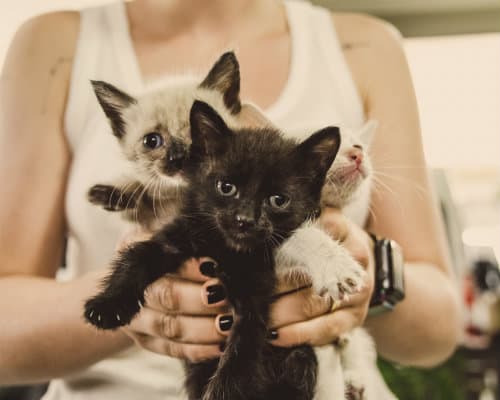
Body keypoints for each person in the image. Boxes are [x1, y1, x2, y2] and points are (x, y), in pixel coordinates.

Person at [0, 0, 461, 398]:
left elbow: (440, 328)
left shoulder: (366, 46)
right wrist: (138, 300)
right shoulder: (54, 46)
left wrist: (366, 271)